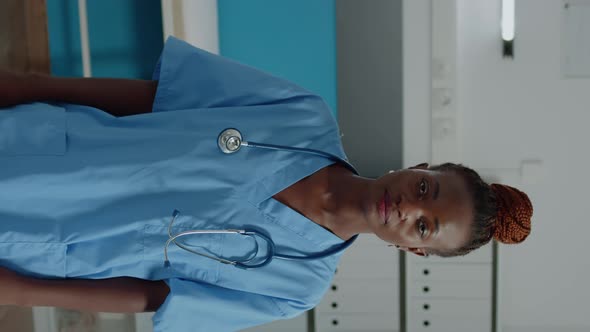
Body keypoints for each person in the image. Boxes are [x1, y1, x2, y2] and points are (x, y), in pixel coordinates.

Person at [0, 37, 533, 331]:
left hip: (43, 241)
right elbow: (151, 97)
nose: (408, 209)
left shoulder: (297, 287)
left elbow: (153, 296)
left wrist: (22, 291)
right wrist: (27, 87)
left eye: (425, 227)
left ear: (415, 249)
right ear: (419, 167)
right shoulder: (303, 115)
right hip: (40, 146)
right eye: (425, 190)